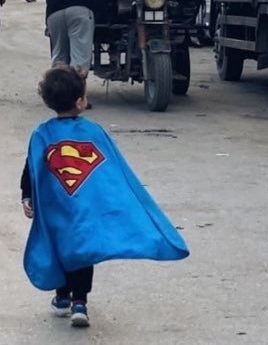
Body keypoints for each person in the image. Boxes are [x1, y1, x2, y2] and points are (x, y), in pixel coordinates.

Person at [21, 65, 189, 328]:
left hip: (54, 209)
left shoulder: (41, 134)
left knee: (61, 249)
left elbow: (31, 169)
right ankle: (80, 303)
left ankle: (62, 297)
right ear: (80, 101)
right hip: (85, 209)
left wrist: (27, 197)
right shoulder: (94, 132)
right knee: (83, 252)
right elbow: (112, 171)